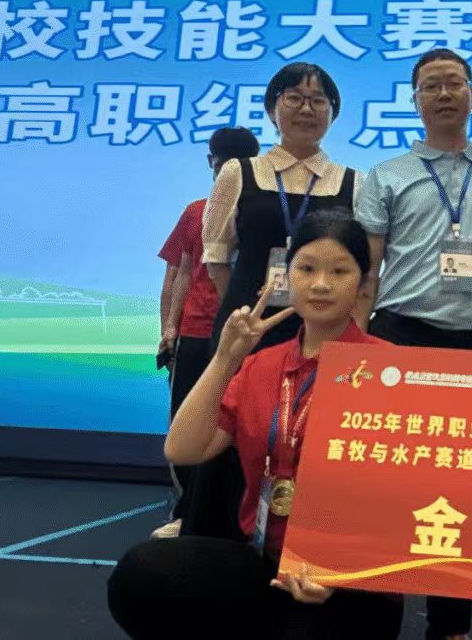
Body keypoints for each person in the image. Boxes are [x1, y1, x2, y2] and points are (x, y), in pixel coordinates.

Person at [108, 212, 403, 639]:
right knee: (141, 576)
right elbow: (183, 449)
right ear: (286, 276)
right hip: (268, 561)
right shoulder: (262, 366)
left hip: (350, 578)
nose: (321, 284)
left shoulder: (391, 370)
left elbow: (401, 502)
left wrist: (338, 572)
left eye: (340, 271)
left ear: (363, 284)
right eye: (306, 268)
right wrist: (226, 358)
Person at [354, 47, 472, 640]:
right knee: (387, 484)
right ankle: (374, 614)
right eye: (432, 85)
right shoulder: (387, 175)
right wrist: (355, 347)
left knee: (462, 490)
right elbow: (368, 272)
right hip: (398, 340)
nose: (445, 94)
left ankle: (451, 626)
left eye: (455, 83)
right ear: (415, 100)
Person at [184, 62, 362, 541]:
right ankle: (213, 546)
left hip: (316, 331)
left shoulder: (351, 181)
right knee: (228, 436)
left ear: (333, 113)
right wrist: (248, 309)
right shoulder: (240, 172)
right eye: (294, 98)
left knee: (305, 439)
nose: (307, 108)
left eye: (319, 100)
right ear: (272, 109)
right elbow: (217, 257)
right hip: (247, 328)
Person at [153, 126, 260, 539]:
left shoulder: (262, 211)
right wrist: (170, 329)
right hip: (199, 332)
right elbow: (180, 273)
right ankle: (188, 511)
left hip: (242, 333)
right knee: (190, 420)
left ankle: (227, 512)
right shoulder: (196, 211)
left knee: (234, 426)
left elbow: (176, 277)